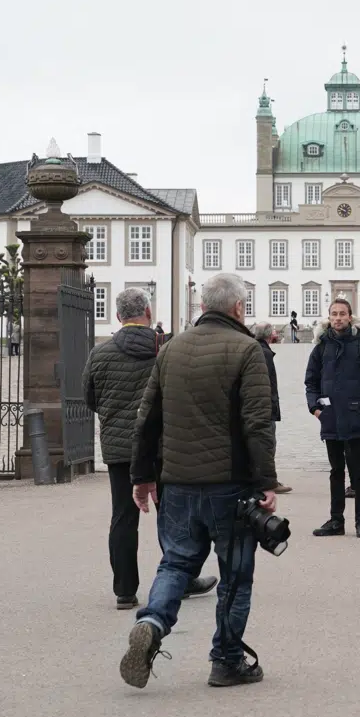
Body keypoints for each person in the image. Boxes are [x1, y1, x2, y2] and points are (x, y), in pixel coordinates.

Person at [120, 274, 280, 690]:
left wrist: (142, 477)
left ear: (202, 306)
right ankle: (226, 660)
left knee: (175, 562)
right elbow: (257, 423)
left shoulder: (170, 348)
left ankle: (153, 622)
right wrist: (266, 482)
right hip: (230, 485)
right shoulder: (247, 350)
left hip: (177, 483)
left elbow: (147, 419)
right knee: (235, 575)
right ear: (238, 308)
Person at [86, 289, 218, 610]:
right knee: (172, 516)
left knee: (123, 517)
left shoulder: (99, 354)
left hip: (120, 450)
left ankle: (125, 590)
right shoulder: (168, 347)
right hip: (163, 445)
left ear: (118, 316)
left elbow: (90, 399)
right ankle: (181, 580)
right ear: (148, 311)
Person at [306, 299, 360, 538]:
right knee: (336, 471)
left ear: (350, 317)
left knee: (359, 473)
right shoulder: (321, 348)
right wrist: (315, 408)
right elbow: (311, 381)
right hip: (331, 417)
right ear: (329, 318)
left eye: (342, 314)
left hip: (356, 418)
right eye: (334, 314)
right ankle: (336, 520)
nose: (338, 318)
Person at [251, 323, 292, 495]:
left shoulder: (256, 349)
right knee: (268, 443)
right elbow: (267, 383)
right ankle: (268, 482)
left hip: (259, 405)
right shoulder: (265, 353)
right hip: (265, 406)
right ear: (269, 335)